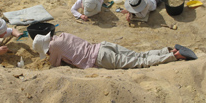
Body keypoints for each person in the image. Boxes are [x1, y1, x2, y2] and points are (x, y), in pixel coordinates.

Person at [32, 32, 197, 70]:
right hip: (103, 46)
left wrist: (47, 57)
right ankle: (168, 50)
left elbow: (54, 64)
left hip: (100, 58)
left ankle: (175, 56)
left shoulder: (53, 48)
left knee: (140, 63)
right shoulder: (63, 35)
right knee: (139, 55)